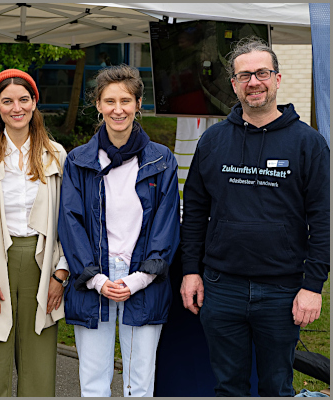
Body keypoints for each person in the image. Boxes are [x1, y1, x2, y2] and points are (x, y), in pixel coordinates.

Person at [179, 36, 330, 397]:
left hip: (282, 291)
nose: (254, 82)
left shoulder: (308, 143)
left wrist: (313, 286)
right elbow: (196, 211)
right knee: (228, 386)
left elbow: (324, 218)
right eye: (244, 75)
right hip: (221, 287)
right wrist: (190, 270)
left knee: (277, 386)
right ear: (234, 84)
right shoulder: (213, 141)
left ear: (277, 79)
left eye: (262, 72)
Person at [58, 64, 180, 397]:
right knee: (94, 383)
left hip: (144, 279)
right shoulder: (78, 161)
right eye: (109, 101)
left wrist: (139, 279)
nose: (118, 109)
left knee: (140, 385)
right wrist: (96, 279)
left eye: (126, 100)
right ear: (98, 104)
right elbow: (71, 224)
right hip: (93, 278)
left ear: (139, 104)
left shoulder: (162, 160)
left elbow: (166, 226)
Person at [0, 69, 68, 396]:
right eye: (7, 101)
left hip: (41, 264)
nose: (16, 107)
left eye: (23, 99)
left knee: (38, 370)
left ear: (35, 102)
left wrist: (60, 274)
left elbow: (67, 221)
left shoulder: (55, 155)